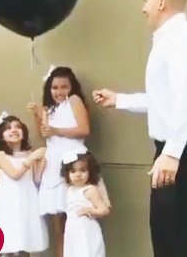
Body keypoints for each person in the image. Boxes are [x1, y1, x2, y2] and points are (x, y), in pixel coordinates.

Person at [92, 0, 187, 256]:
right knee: (168, 239)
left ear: (161, 2)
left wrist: (172, 153)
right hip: (175, 151)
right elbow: (168, 100)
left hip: (185, 153)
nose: (143, 8)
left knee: (181, 242)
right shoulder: (169, 40)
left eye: (146, 1)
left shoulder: (184, 38)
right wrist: (120, 100)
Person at [27, 65, 110, 257]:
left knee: (76, 214)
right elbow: (44, 133)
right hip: (53, 161)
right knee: (58, 223)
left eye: (64, 87)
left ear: (72, 87)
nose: (59, 91)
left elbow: (84, 129)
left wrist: (56, 130)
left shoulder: (74, 101)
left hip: (73, 161)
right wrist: (38, 116)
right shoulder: (50, 108)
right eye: (55, 87)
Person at [0, 112, 48, 256]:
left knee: (25, 234)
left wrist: (40, 165)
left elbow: (36, 180)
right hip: (9, 199)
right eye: (8, 128)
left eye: (18, 127)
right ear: (1, 136)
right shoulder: (2, 155)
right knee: (10, 232)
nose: (14, 130)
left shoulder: (29, 154)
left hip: (27, 197)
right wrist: (30, 159)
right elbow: (15, 174)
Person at [61, 149, 110, 257]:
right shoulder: (70, 190)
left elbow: (104, 209)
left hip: (86, 229)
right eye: (73, 171)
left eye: (82, 171)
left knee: (87, 252)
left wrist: (91, 211)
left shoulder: (90, 190)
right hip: (72, 229)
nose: (78, 175)